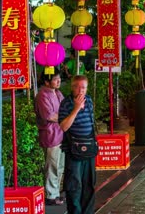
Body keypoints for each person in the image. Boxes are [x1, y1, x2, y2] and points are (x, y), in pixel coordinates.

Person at [58, 75, 97, 214]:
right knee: (74, 185)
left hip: (89, 147)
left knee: (89, 183)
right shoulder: (66, 104)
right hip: (73, 149)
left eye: (83, 88)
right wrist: (76, 108)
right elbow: (63, 127)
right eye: (78, 87)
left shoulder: (89, 100)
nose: (81, 91)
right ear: (72, 87)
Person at [35, 71, 65, 206]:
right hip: (51, 135)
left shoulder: (57, 93)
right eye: (55, 79)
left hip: (61, 133)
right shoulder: (42, 95)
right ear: (47, 82)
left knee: (59, 165)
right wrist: (66, 117)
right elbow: (49, 115)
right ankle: (51, 195)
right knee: (52, 166)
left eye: (59, 78)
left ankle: (55, 192)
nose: (58, 81)